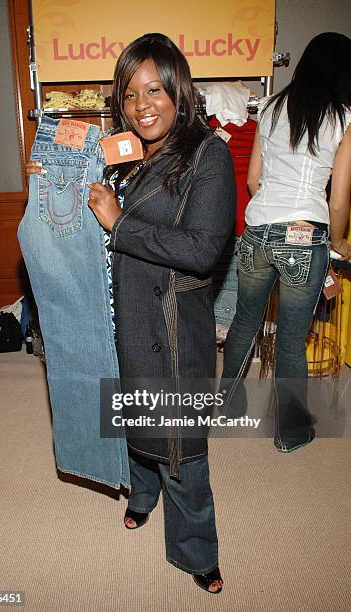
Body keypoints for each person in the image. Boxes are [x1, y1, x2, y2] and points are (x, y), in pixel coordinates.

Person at [27, 33, 236, 593]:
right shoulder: (126, 151)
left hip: (170, 326)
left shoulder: (207, 154)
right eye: (129, 94)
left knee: (180, 447)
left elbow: (202, 249)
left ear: (178, 88)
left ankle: (197, 551)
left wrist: (119, 221)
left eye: (153, 90)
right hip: (118, 317)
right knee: (131, 425)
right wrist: (59, 182)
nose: (141, 104)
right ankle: (139, 496)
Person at [221, 32, 351, 452]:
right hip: (304, 231)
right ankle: (291, 430)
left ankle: (225, 405)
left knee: (244, 320)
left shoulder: (272, 105)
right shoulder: (345, 118)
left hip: (257, 229)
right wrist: (338, 244)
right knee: (292, 338)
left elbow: (253, 179)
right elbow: (338, 200)